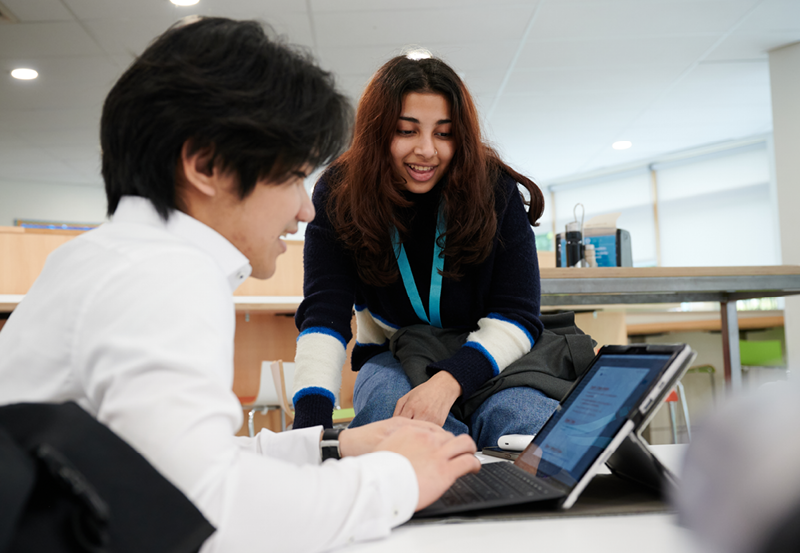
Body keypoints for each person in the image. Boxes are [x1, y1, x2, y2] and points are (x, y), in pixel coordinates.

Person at [0, 18, 480, 553]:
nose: (304, 208)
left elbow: (162, 466)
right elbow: (207, 511)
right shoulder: (163, 277)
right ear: (206, 164)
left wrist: (332, 445)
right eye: (292, 175)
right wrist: (400, 479)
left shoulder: (107, 258)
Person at [292, 52, 560, 449]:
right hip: (394, 355)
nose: (427, 150)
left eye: (444, 133)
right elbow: (324, 316)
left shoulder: (493, 188)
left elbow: (517, 314)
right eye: (406, 131)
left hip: (493, 356)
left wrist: (448, 383)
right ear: (377, 132)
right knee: (399, 427)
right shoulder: (339, 193)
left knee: (533, 431)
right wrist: (309, 429)